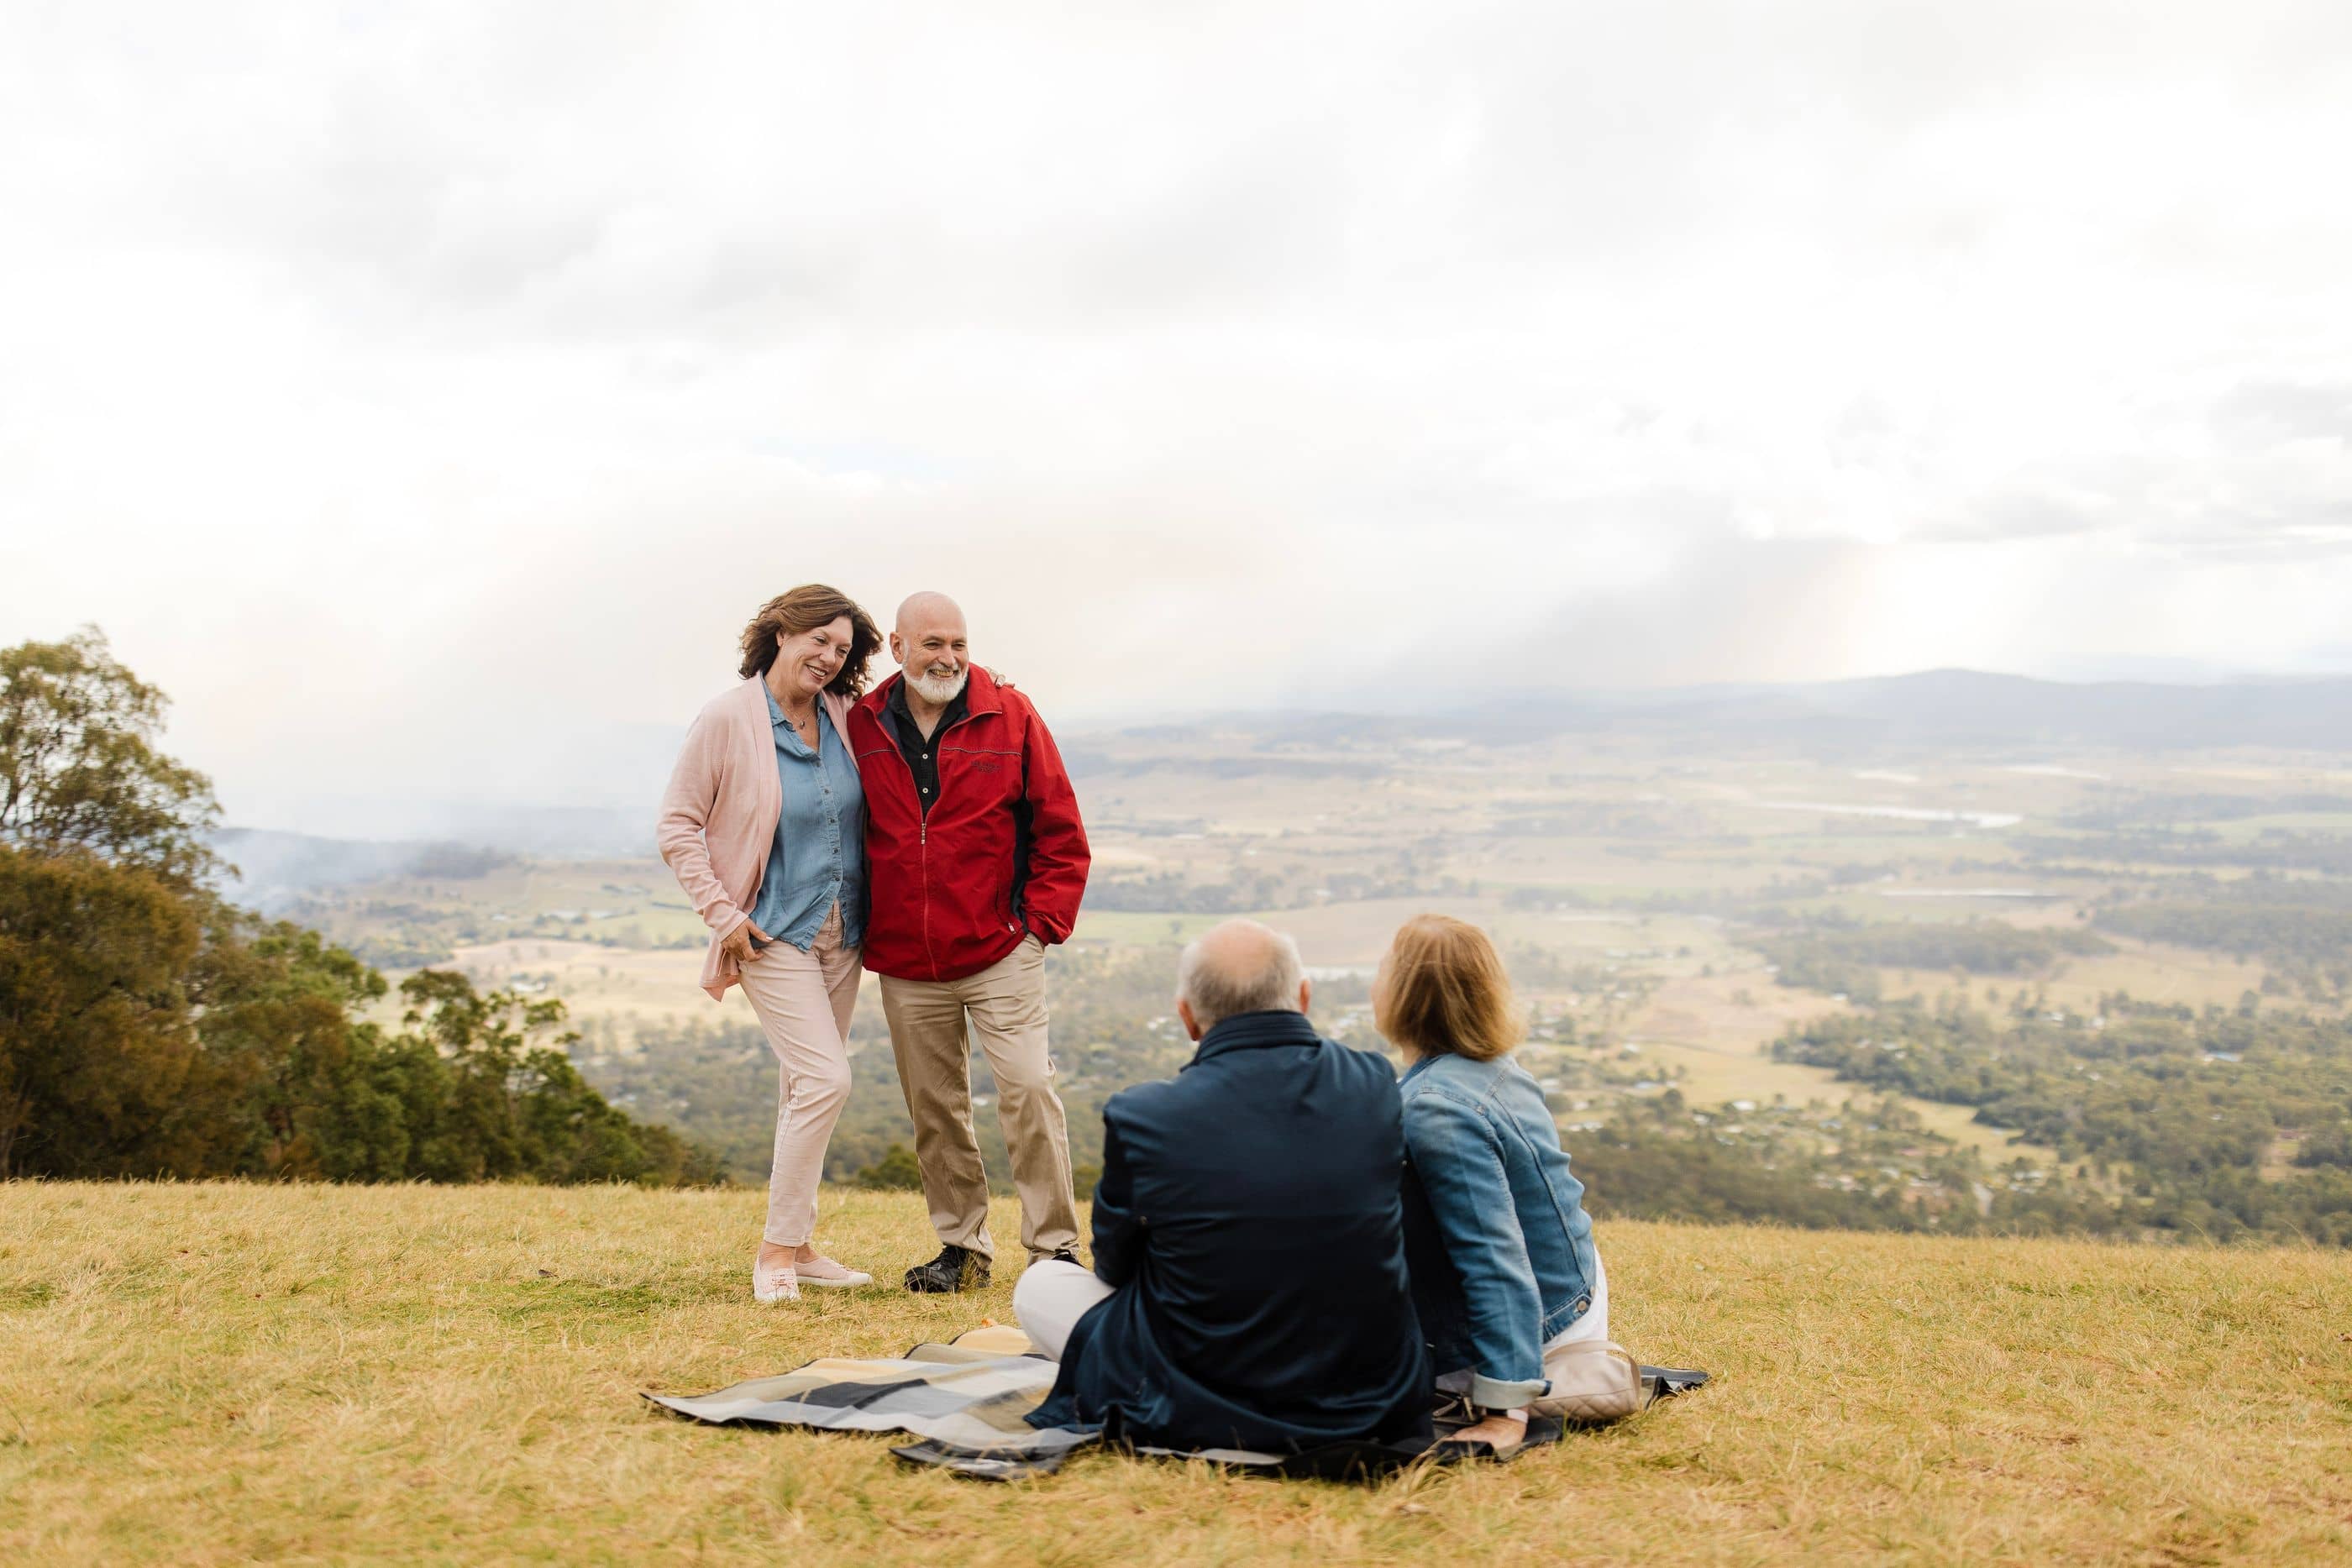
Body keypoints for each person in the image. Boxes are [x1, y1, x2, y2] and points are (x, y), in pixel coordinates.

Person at [1016, 920, 1430, 1455]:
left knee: (1042, 1283)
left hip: (1202, 1396)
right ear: (1303, 997)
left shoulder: (1144, 1115)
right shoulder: (1373, 1083)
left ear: (1187, 1017)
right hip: (1370, 1398)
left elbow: (1113, 1268)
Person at [848, 591, 1092, 1293]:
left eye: (958, 642)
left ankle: (1055, 1252)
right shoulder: (862, 721)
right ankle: (962, 1248)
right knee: (935, 1110)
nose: (948, 657)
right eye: (932, 644)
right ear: (897, 646)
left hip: (999, 951)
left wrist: (1039, 927)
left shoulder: (1010, 713)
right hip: (905, 960)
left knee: (1030, 1090)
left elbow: (1062, 829)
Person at [656, 585, 882, 1303]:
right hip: (770, 930)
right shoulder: (729, 717)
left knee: (801, 1087)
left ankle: (804, 1244)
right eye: (819, 638)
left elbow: (921, 696)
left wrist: (986, 677)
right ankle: (777, 1251)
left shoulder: (844, 715)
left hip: (842, 931)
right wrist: (722, 914)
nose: (827, 656)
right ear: (781, 632)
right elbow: (677, 824)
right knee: (827, 1079)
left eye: (842, 649)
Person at [1375, 913, 1618, 1455]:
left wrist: (1505, 1409)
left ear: (1402, 996)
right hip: (1569, 1289)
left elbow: (1493, 1255)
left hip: (1545, 1326)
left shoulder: (1437, 1111)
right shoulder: (1490, 1066)